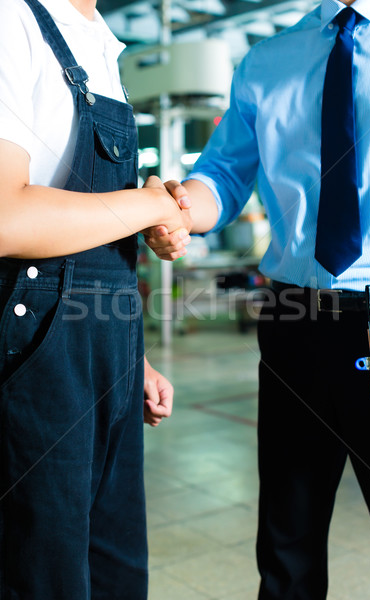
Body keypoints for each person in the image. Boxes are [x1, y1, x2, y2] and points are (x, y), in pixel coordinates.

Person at [145, 0, 370, 598]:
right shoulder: (268, 60)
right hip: (294, 320)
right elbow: (223, 176)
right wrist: (176, 210)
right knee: (287, 546)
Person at [0, 0, 191, 598]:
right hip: (35, 355)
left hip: (102, 347)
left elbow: (86, 234)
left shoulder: (101, 44)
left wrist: (128, 357)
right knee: (45, 574)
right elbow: (6, 215)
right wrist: (153, 205)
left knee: (113, 569)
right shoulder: (14, 19)